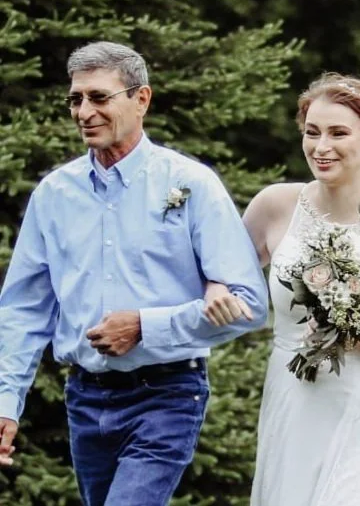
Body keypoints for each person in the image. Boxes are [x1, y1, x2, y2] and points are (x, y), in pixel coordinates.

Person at [0, 42, 268, 506]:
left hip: (167, 395)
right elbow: (24, 310)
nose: (84, 112)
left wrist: (145, 326)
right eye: (76, 99)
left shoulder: (191, 184)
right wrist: (6, 403)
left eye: (99, 97)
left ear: (141, 99)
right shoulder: (53, 195)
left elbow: (249, 303)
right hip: (84, 397)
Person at [209, 73, 360, 506]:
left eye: (338, 133)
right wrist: (216, 288)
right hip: (296, 400)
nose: (321, 146)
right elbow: (222, 273)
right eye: (312, 132)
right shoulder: (274, 206)